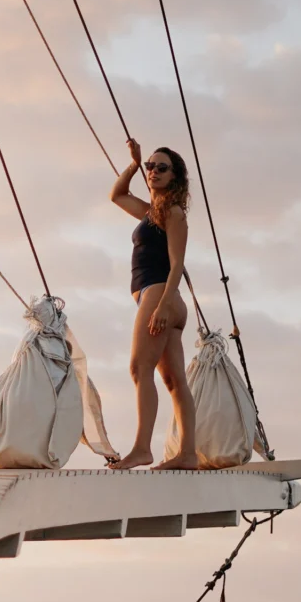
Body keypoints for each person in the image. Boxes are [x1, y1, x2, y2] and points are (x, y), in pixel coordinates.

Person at [106, 139, 198, 470]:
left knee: (138, 368)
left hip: (160, 294)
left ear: (175, 176)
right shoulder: (151, 212)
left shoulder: (173, 214)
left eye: (162, 168)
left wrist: (161, 305)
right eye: (151, 166)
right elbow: (117, 195)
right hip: (159, 297)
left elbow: (177, 264)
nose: (153, 172)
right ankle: (188, 454)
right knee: (174, 380)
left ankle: (142, 449)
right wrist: (133, 162)